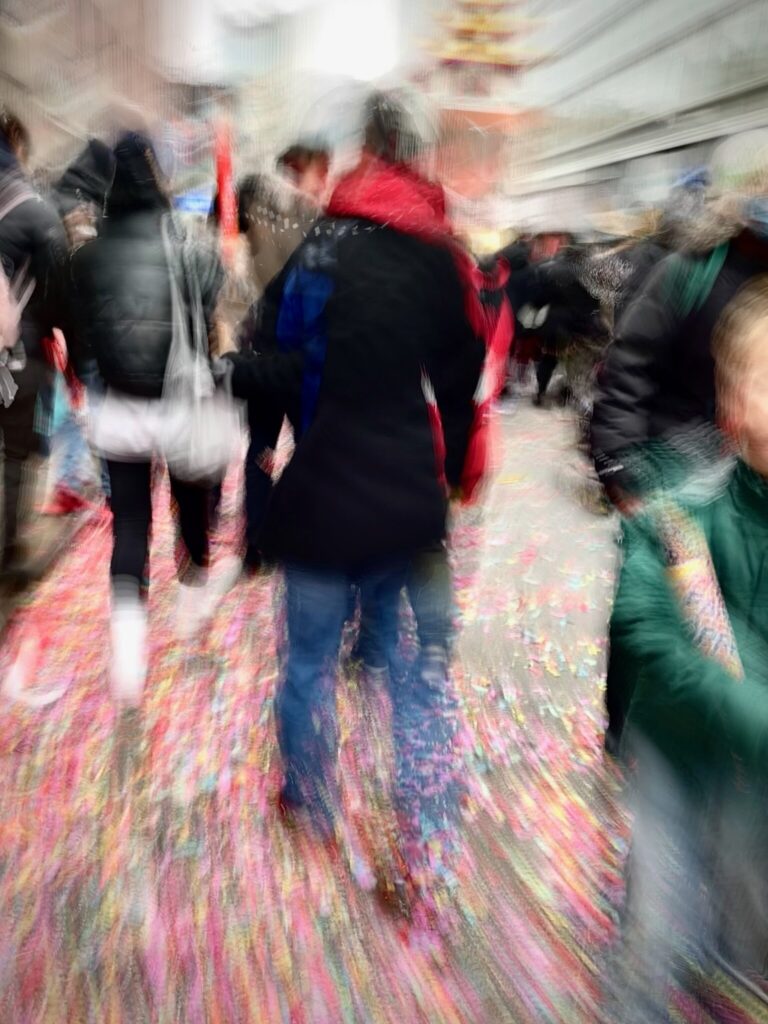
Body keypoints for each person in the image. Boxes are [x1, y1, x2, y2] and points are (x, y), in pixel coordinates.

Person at [219, 92, 484, 898]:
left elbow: (283, 353)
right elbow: (463, 377)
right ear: (419, 160)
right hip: (407, 497)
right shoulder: (441, 256)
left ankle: (308, 802)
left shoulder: (322, 246)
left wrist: (265, 438)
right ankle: (426, 842)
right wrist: (455, 471)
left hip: (323, 493)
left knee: (305, 663)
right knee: (415, 679)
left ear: (362, 156)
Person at [604, 275, 768, 1018]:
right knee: (658, 913)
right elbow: (672, 636)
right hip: (678, 746)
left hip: (754, 771)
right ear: (733, 407)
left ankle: (729, 965)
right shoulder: (685, 513)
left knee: (745, 891)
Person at [592, 130, 768, 748]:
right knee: (659, 605)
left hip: (748, 482)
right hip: (670, 476)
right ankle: (628, 728)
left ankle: (720, 731)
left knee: (734, 614)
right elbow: (628, 365)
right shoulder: (689, 270)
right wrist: (620, 471)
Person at [68, 131, 228, 707]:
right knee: (190, 501)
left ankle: (129, 657)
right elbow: (214, 299)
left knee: (131, 523)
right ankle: (189, 606)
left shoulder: (88, 251)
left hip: (119, 406)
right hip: (179, 397)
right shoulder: (186, 239)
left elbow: (77, 324)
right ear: (156, 176)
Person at [0, 108, 69, 586]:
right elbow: (58, 292)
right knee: (13, 457)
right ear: (17, 147)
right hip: (16, 356)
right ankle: (7, 555)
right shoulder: (34, 209)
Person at [44, 138, 116, 514]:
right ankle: (107, 487)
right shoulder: (90, 210)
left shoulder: (51, 200)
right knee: (101, 408)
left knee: (64, 407)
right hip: (89, 331)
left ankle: (67, 481)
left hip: (49, 326)